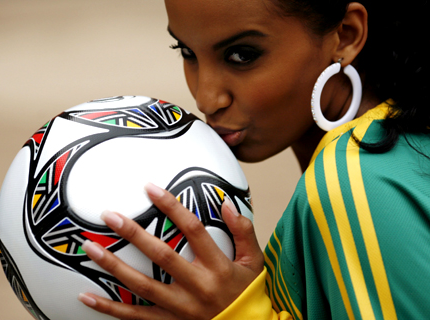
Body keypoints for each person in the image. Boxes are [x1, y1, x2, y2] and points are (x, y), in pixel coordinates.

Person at [77, 0, 430, 319]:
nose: (206, 98)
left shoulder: (356, 182)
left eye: (242, 55)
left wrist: (242, 314)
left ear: (346, 35)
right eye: (186, 51)